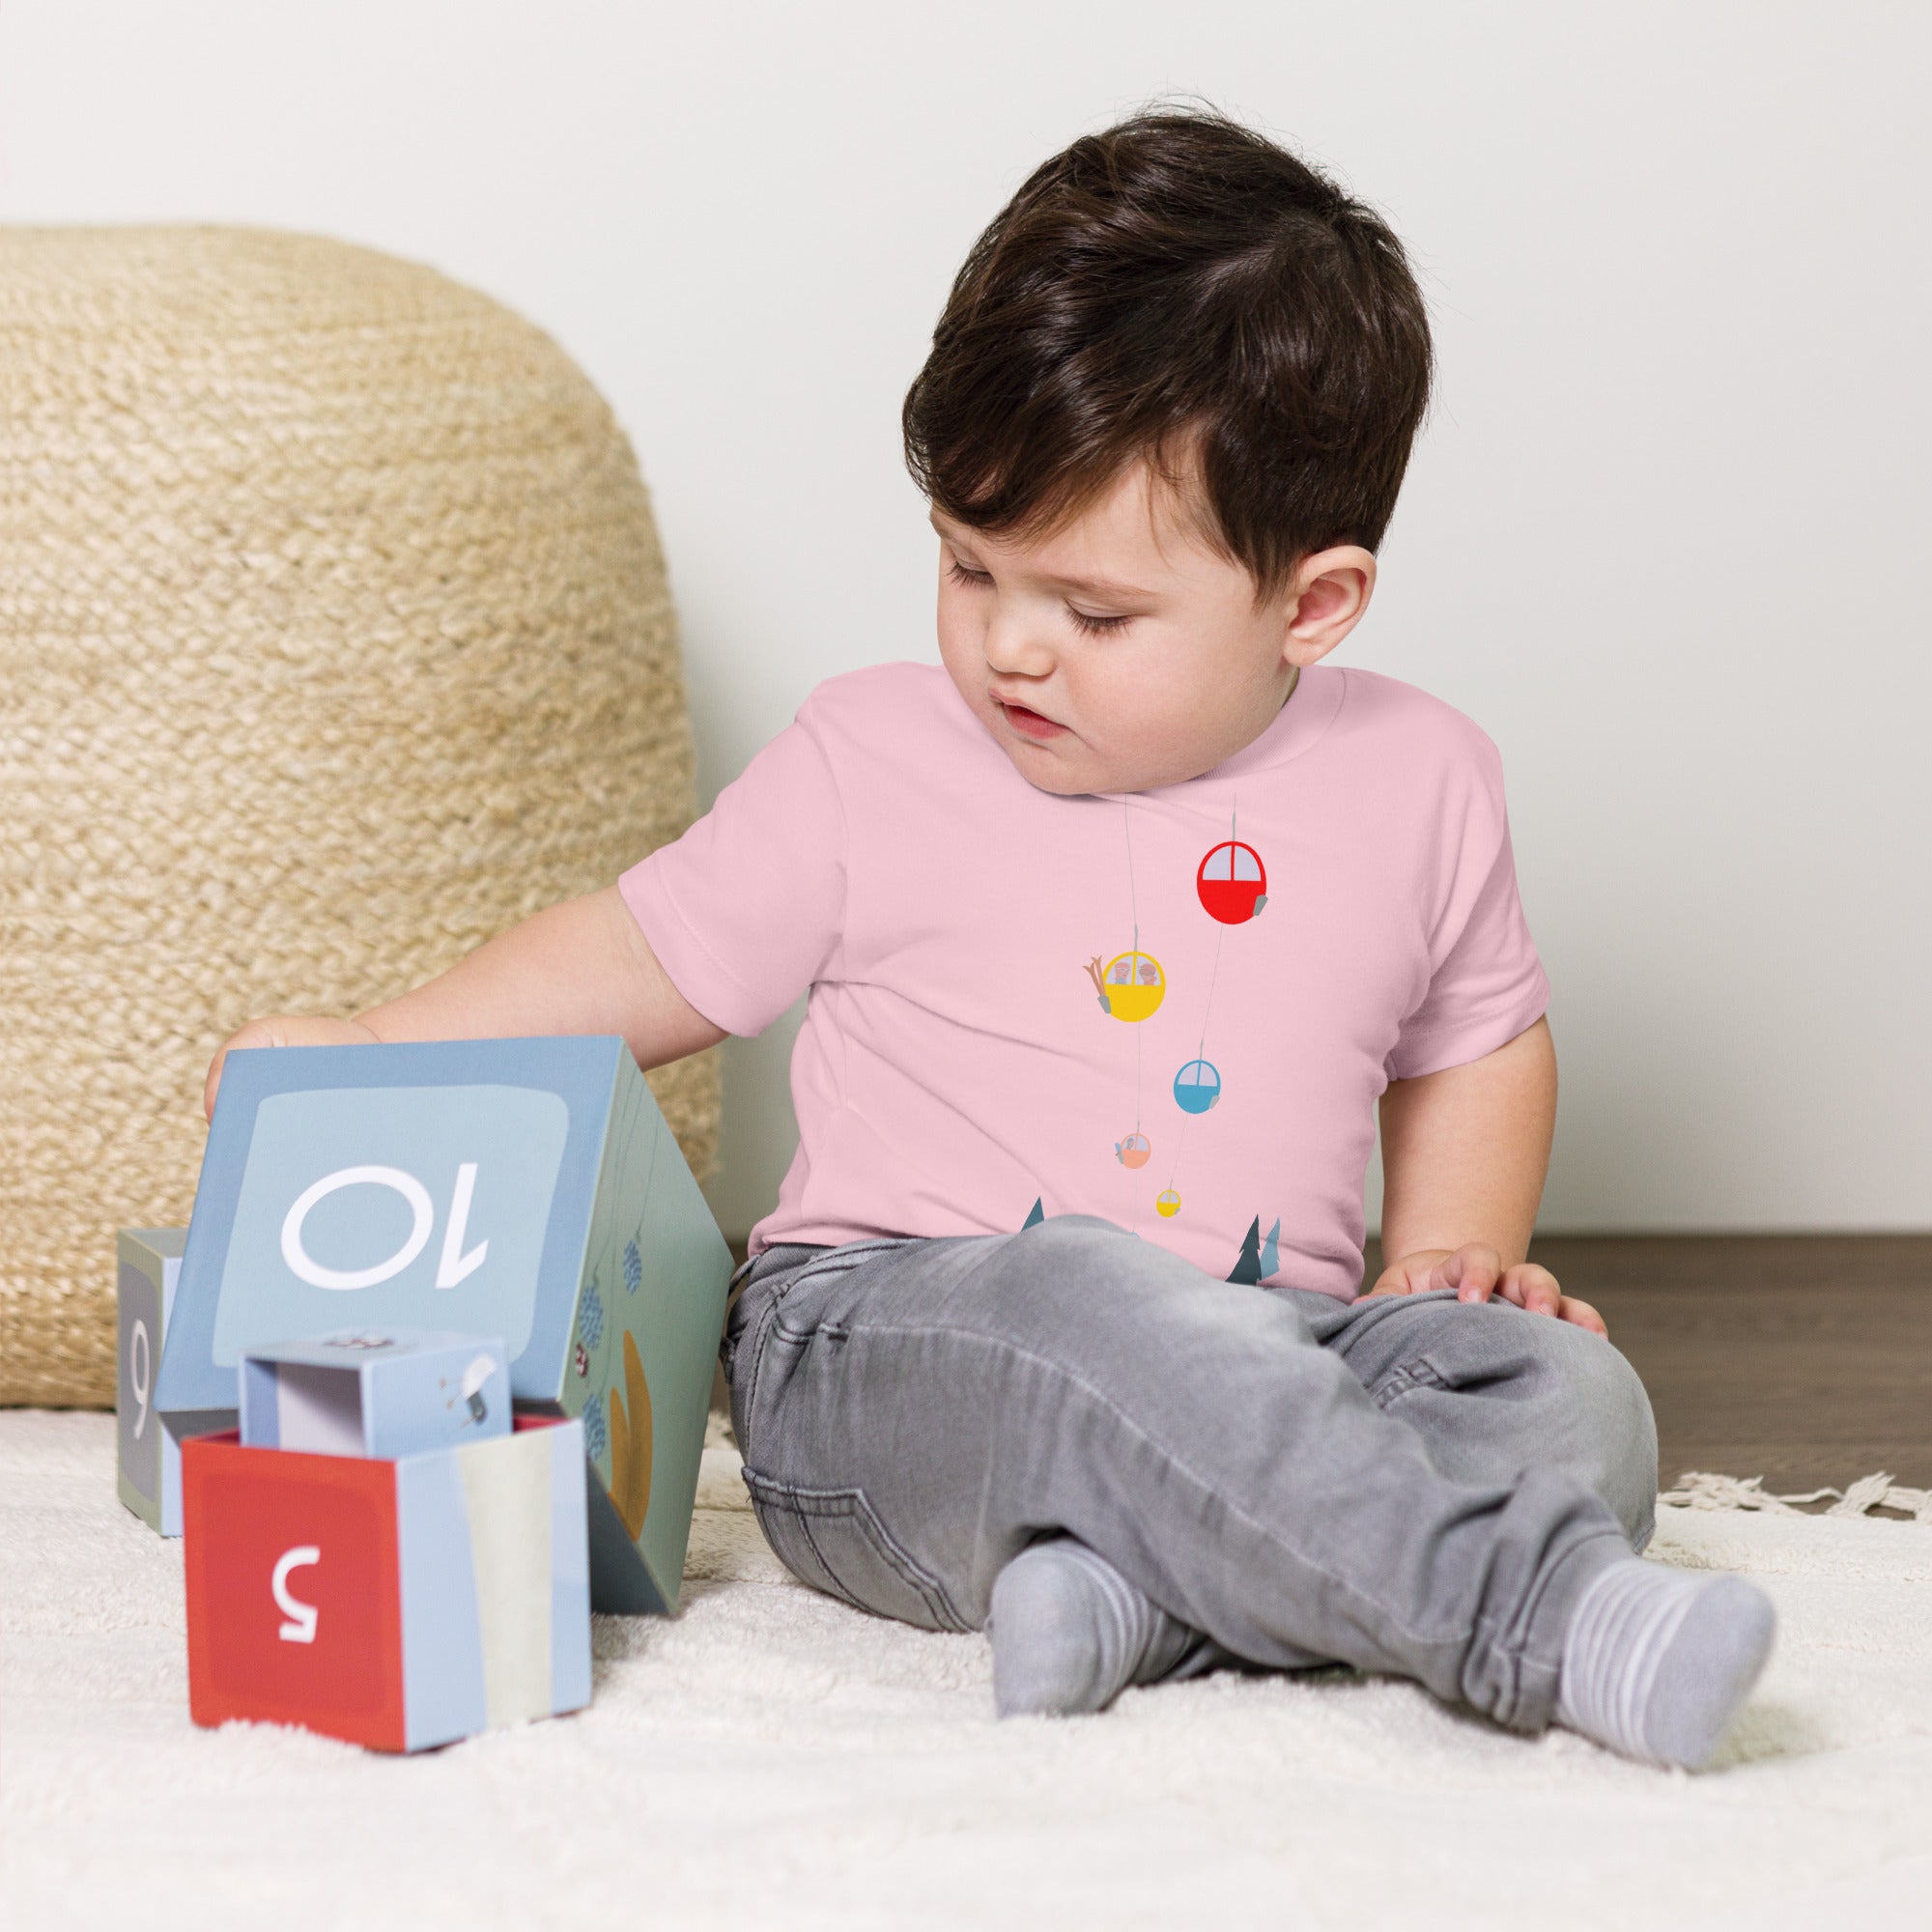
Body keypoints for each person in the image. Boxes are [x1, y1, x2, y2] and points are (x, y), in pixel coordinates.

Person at [207, 110, 1774, 1769]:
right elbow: (639, 954)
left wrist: (1443, 1259)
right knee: (1082, 1295)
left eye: (1094, 614)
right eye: (968, 566)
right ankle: (1519, 1617)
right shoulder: (868, 758)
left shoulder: (1425, 776)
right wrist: (375, 1051)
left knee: (1571, 1399)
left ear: (1311, 605)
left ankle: (1141, 1605)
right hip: (891, 1348)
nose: (1011, 648)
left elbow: (1477, 1034)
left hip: (1280, 1344)